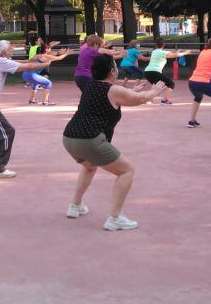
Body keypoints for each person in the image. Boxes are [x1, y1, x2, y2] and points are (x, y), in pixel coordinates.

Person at [63, 54, 168, 231]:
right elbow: (140, 99)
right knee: (127, 171)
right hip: (90, 140)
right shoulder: (113, 90)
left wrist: (132, 90)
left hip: (69, 138)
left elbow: (119, 96)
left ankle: (75, 206)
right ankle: (115, 218)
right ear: (112, 71)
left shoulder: (89, 85)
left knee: (89, 167)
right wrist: (155, 91)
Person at [0, 40, 61, 178]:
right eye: (10, 50)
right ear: (4, 52)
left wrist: (37, 59)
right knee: (7, 132)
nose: (12, 52)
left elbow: (22, 62)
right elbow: (27, 66)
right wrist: (47, 62)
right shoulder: (1, 62)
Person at [143, 38, 190, 104]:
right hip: (155, 71)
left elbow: (172, 54)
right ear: (163, 45)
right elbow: (173, 55)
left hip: (147, 71)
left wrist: (176, 53)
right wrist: (185, 53)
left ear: (156, 45)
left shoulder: (154, 52)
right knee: (171, 84)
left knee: (156, 85)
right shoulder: (163, 52)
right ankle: (164, 100)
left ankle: (149, 99)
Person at [23, 41, 71, 105]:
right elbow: (59, 58)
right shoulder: (47, 56)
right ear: (46, 49)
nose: (50, 49)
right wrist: (66, 53)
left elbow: (28, 61)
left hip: (25, 74)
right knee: (48, 83)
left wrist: (59, 52)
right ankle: (46, 101)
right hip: (32, 75)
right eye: (49, 48)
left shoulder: (38, 56)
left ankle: (32, 100)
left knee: (36, 83)